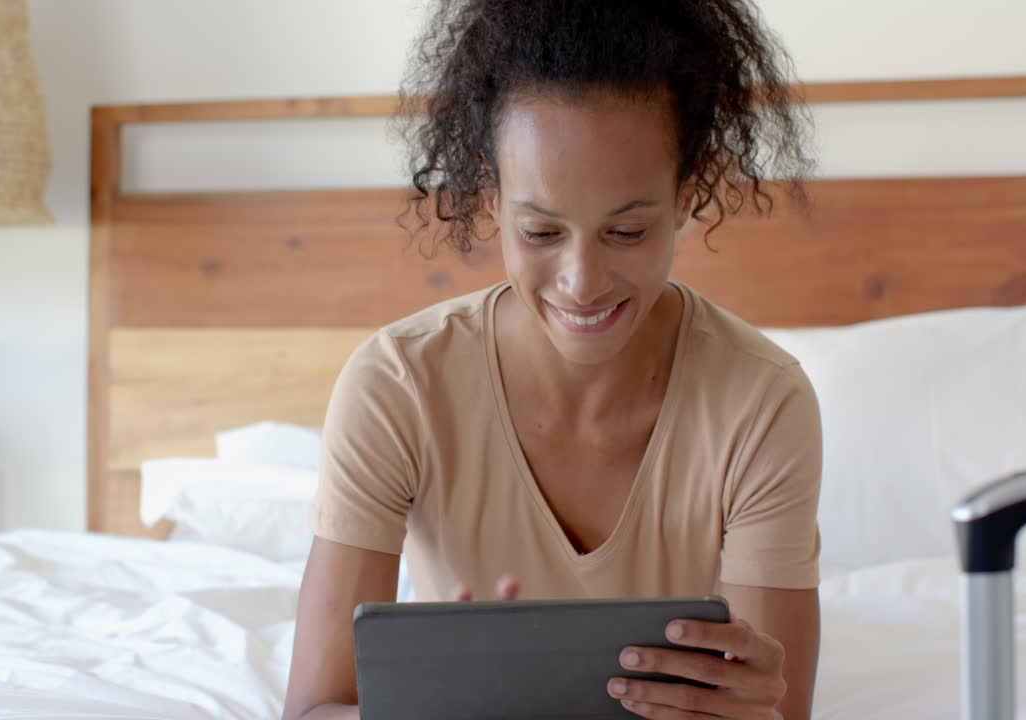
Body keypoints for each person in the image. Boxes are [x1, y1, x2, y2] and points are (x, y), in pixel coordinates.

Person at [283, 1, 821, 718]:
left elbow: (774, 708)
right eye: (540, 231)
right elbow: (315, 709)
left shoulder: (762, 402)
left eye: (626, 232)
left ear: (687, 194)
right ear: (492, 195)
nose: (582, 282)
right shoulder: (398, 386)